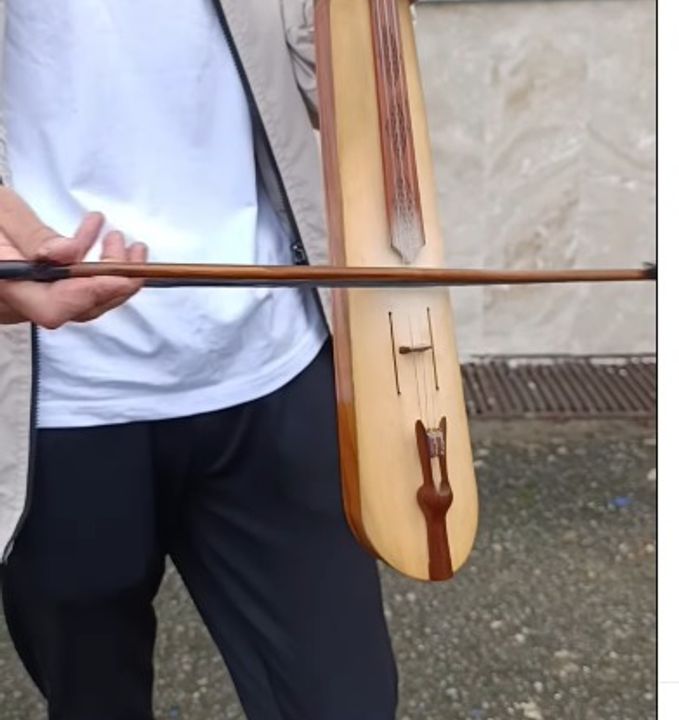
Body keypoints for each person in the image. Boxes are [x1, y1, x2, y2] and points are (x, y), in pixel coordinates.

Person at [0, 3, 397, 719]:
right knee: (93, 701)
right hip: (57, 405)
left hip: (274, 360)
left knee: (346, 702)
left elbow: (339, 87)